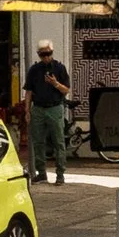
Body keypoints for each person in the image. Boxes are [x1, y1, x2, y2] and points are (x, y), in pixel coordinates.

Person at [24, 39, 73, 181]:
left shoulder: (59, 68)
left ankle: (60, 173)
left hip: (55, 107)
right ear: (39, 54)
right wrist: (27, 110)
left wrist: (55, 83)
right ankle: (41, 172)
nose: (46, 57)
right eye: (43, 54)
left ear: (52, 52)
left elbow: (66, 90)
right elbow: (28, 91)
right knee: (38, 141)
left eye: (48, 53)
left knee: (58, 141)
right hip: (38, 108)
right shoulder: (34, 70)